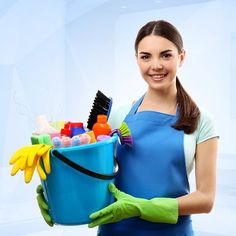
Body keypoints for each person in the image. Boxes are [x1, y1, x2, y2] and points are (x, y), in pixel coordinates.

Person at [37, 20, 219, 235]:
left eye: (166, 55)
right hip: (115, 231)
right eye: (146, 56)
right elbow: (91, 172)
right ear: (137, 60)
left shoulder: (201, 121)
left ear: (181, 57)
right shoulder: (117, 116)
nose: (156, 65)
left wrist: (141, 208)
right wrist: (57, 193)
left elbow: (205, 199)